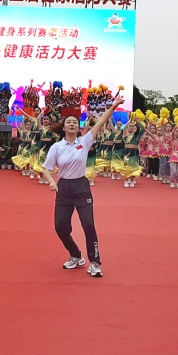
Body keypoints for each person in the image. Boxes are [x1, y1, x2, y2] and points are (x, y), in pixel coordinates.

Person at [42, 95, 125, 278]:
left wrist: (113, 107)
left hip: (81, 187)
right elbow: (45, 168)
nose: (72, 124)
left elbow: (101, 122)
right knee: (60, 227)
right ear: (64, 127)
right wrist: (52, 181)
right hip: (64, 188)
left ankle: (95, 262)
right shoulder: (57, 147)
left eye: (75, 122)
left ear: (78, 126)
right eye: (68, 122)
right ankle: (75, 255)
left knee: (88, 224)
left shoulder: (85, 141)